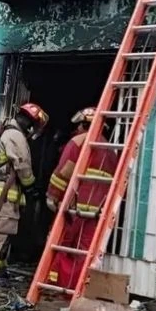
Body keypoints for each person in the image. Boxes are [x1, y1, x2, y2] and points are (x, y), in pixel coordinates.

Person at [45, 107, 118, 289]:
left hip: (73, 207)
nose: (76, 129)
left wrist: (52, 196)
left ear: (83, 125)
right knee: (84, 250)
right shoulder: (110, 150)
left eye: (78, 126)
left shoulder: (77, 142)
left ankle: (55, 282)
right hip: (97, 210)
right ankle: (77, 287)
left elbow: (63, 174)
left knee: (62, 244)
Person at [0, 102, 49, 278]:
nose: (33, 130)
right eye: (33, 126)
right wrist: (31, 186)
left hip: (4, 191)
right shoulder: (15, 135)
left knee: (3, 231)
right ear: (29, 123)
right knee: (0, 232)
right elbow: (22, 165)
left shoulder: (8, 131)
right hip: (5, 193)